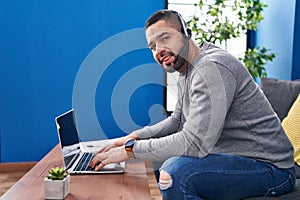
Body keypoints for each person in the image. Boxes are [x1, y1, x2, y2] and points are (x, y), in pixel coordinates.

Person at [90, 9, 296, 200]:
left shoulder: (212, 68)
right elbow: (177, 120)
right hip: (235, 157)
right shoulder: (187, 70)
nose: (158, 50)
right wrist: (133, 138)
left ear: (186, 33)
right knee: (150, 166)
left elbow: (195, 143)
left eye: (165, 38)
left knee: (176, 172)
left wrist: (130, 151)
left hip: (271, 168)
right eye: (152, 47)